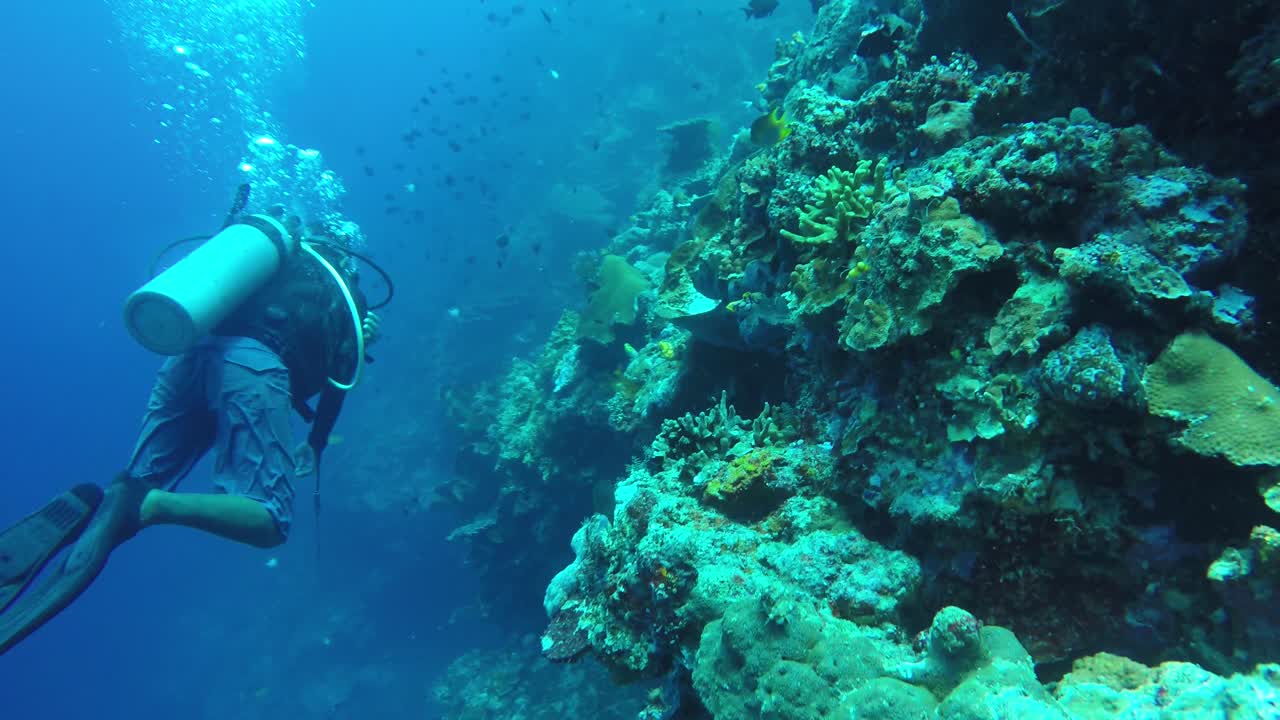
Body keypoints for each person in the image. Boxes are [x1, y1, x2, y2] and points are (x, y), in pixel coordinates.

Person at [0, 211, 381, 655]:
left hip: (186, 358)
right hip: (254, 371)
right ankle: (151, 505)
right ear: (346, 255)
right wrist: (315, 442)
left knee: (131, 489)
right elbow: (340, 382)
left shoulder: (269, 262)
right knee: (268, 520)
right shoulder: (344, 294)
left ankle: (102, 504)